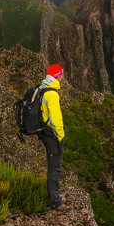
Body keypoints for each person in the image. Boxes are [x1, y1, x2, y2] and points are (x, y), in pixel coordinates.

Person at [38, 64, 65, 209]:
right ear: (58, 76)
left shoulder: (43, 88)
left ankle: (55, 190)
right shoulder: (52, 94)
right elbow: (55, 120)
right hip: (51, 135)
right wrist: (60, 136)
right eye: (62, 74)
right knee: (54, 167)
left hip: (44, 132)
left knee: (54, 165)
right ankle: (55, 201)